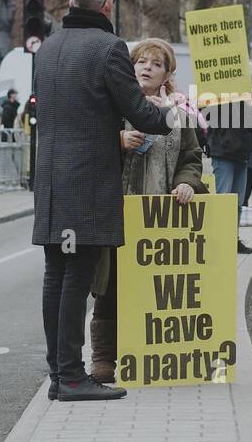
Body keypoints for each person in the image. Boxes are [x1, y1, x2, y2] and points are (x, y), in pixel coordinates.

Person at [32, 0, 175, 402]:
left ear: (72, 0)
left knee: (55, 273)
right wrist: (180, 114)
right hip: (87, 180)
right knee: (77, 275)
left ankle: (59, 373)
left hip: (50, 178)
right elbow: (141, 112)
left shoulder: (48, 47)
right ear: (107, 5)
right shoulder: (109, 48)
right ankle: (74, 377)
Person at [88, 39, 207, 383]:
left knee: (155, 288)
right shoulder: (112, 110)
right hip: (118, 214)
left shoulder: (179, 117)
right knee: (109, 286)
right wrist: (119, 141)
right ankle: (104, 357)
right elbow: (90, 151)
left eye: (156, 63)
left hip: (160, 220)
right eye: (141, 61)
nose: (147, 67)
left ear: (167, 74)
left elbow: (191, 159)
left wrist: (188, 183)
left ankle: (149, 351)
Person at [201, 95, 252, 254]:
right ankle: (220, 241)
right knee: (224, 200)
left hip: (241, 155)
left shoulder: (246, 102)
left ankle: (232, 239)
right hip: (222, 154)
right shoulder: (215, 98)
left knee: (237, 203)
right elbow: (205, 116)